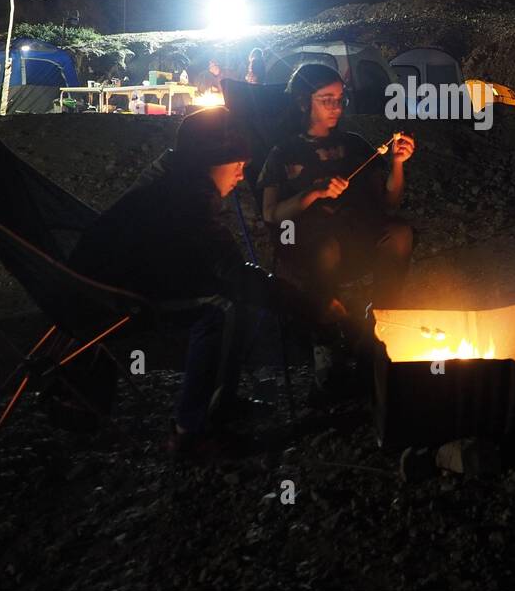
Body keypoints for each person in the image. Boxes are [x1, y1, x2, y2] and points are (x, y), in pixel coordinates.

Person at [67, 106, 344, 460]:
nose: (242, 177)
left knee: (233, 298)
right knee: (222, 307)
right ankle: (189, 433)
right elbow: (233, 273)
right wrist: (311, 308)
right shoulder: (188, 199)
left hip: (124, 274)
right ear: (211, 160)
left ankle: (220, 403)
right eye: (239, 166)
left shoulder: (176, 175)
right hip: (112, 294)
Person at [257, 63, 416, 329]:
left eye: (341, 99)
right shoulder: (284, 152)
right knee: (326, 248)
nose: (337, 107)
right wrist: (313, 192)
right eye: (327, 100)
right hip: (307, 241)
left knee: (400, 234)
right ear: (303, 102)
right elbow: (271, 214)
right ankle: (327, 328)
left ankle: (385, 320)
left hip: (356, 235)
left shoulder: (355, 145)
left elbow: (388, 202)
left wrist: (398, 163)